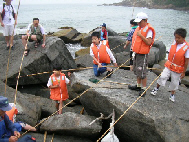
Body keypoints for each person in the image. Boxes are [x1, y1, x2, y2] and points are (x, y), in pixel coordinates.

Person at [151, 28, 189, 102]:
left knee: (175, 82)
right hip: (169, 65)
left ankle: (172, 94)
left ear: (184, 38)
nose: (177, 39)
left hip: (178, 68)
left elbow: (187, 61)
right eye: (175, 37)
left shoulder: (187, 47)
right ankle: (156, 88)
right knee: (162, 76)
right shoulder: (174, 42)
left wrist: (184, 72)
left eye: (179, 38)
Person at [128, 12, 156, 97]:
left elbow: (148, 42)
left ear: (145, 20)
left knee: (142, 71)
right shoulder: (139, 28)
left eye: (140, 22)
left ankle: (143, 89)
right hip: (136, 52)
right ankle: (138, 85)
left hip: (143, 54)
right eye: (138, 22)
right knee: (137, 70)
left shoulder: (149, 30)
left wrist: (140, 35)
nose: (138, 23)